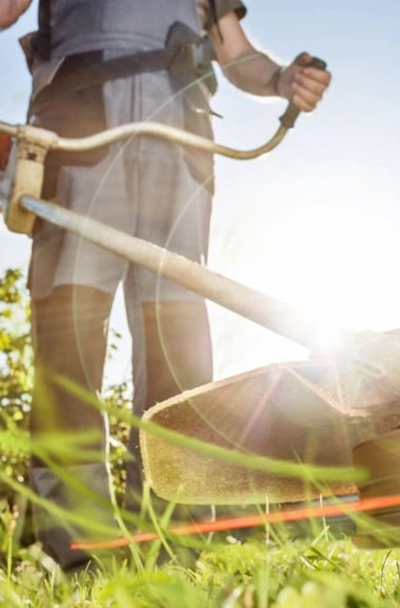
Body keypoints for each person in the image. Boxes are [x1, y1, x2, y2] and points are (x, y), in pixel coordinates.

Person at [1, 0, 331, 573]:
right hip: (78, 133)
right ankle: (83, 562)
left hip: (180, 139)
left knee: (178, 355)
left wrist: (281, 79)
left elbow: (238, 54)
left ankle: (174, 552)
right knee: (68, 350)